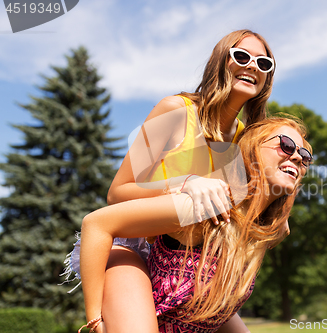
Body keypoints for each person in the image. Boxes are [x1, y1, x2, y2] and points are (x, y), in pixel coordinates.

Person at [65, 29, 277, 332]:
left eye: (264, 63)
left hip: (191, 263)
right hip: (136, 246)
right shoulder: (176, 111)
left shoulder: (246, 140)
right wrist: (185, 182)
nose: (253, 66)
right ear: (221, 62)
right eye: (241, 56)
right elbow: (117, 193)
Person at [79, 117, 313, 332]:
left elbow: (213, 303)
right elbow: (96, 223)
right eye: (286, 145)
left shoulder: (264, 231)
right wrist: (95, 319)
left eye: (304, 155)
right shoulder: (209, 206)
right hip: (132, 293)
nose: (297, 156)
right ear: (251, 150)